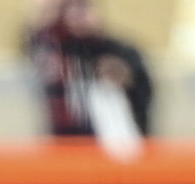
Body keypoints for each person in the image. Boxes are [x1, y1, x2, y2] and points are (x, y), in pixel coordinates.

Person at [22, 0, 154, 145]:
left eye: (83, 6)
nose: (78, 14)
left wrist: (125, 78)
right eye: (70, 8)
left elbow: (144, 94)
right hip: (67, 146)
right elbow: (33, 41)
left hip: (114, 145)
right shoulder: (57, 50)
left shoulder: (120, 51)